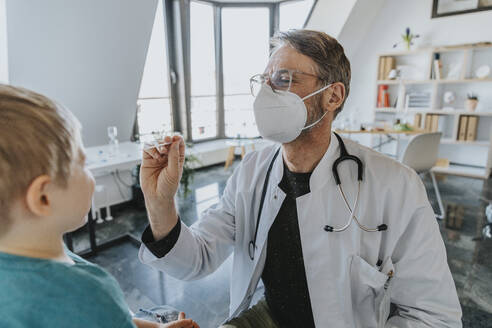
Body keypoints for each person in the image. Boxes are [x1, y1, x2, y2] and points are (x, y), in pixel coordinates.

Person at [138, 30, 462, 327]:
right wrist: (159, 202)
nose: (266, 93)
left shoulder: (396, 186)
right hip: (270, 315)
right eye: (264, 80)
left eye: (283, 79)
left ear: (332, 96)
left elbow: (434, 316)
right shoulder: (251, 172)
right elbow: (197, 259)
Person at [0, 84, 199, 328]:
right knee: (168, 310)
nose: (90, 173)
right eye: (83, 164)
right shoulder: (88, 295)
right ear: (43, 197)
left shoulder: (29, 255)